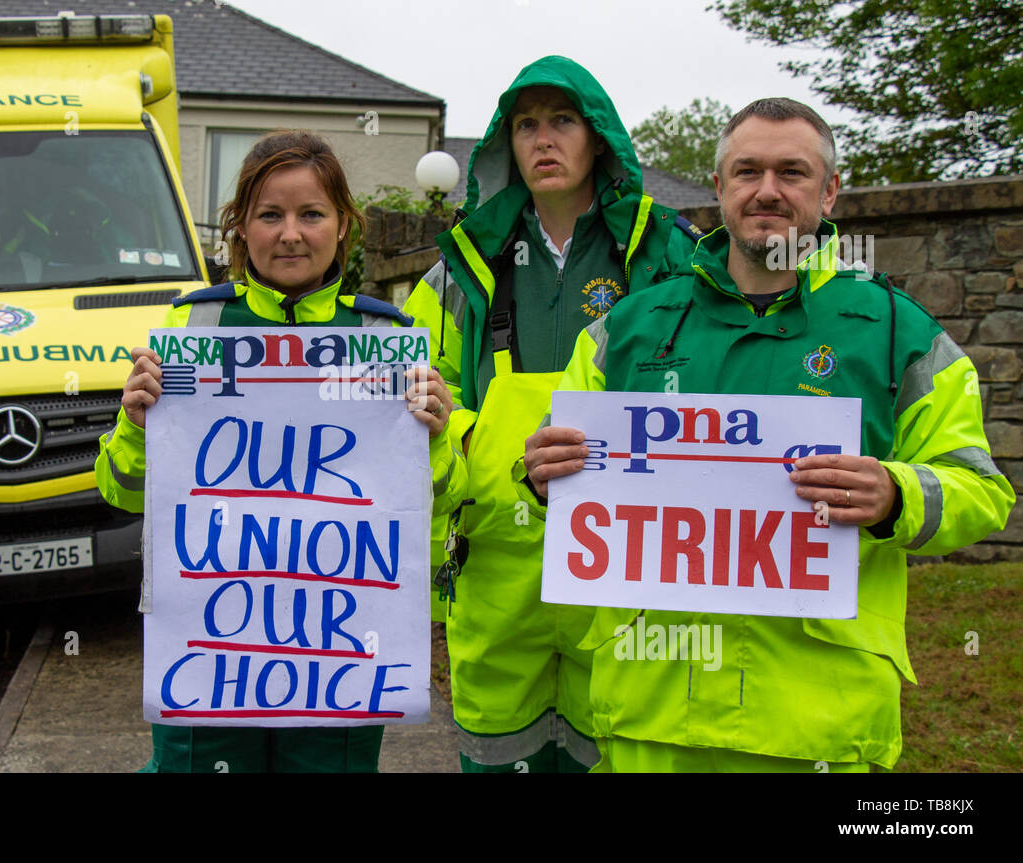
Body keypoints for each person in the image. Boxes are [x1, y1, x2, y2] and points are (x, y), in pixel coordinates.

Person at [524, 98, 1015, 772]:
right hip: (649, 717)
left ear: (830, 189)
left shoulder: (899, 331)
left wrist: (895, 493)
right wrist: (544, 472)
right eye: (747, 171)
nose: (768, 191)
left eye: (793, 172)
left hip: (818, 726)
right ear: (719, 188)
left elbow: (981, 490)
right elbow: (559, 471)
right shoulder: (627, 329)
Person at [95, 130, 454, 773]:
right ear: (240, 227)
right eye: (270, 214)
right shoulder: (190, 330)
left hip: (337, 655)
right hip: (210, 647)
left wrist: (436, 435)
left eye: (311, 214)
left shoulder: (387, 339)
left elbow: (443, 499)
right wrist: (135, 424)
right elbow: (121, 491)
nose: (291, 233)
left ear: (344, 226)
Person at [400, 55, 702, 772]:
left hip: (629, 554)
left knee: (623, 742)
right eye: (526, 125)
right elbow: (412, 381)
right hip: (500, 563)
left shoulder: (669, 252)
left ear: (597, 136)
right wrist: (462, 430)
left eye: (562, 121)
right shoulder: (463, 262)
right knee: (499, 746)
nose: (543, 139)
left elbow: (717, 373)